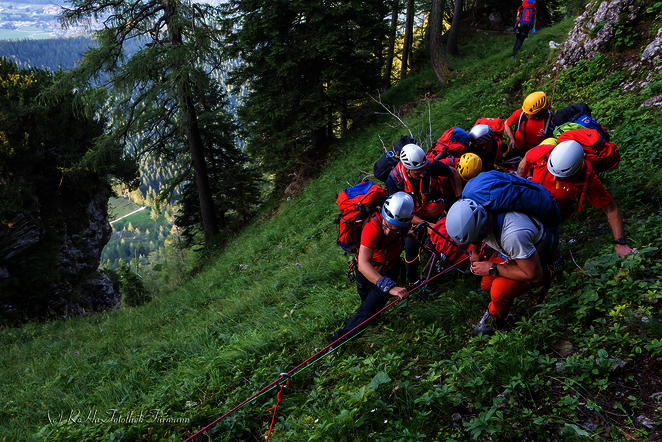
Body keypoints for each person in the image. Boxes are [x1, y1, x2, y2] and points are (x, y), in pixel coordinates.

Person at [446, 198, 550, 335]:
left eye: (472, 239)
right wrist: (475, 253)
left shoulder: (512, 236)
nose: (472, 243)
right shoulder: (482, 210)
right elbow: (476, 233)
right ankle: (499, 297)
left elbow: (534, 274)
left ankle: (496, 316)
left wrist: (492, 268)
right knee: (486, 284)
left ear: (483, 229)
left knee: (498, 289)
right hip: (513, 253)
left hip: (534, 263)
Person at [517, 140, 633, 257]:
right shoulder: (542, 152)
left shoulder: (586, 178)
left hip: (549, 213)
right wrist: (518, 180)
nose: (555, 178)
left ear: (575, 170)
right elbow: (526, 158)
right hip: (528, 198)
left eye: (561, 177)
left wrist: (620, 243)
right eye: (552, 172)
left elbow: (611, 209)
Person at [330, 192, 414, 347]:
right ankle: (341, 341)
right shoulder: (372, 227)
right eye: (386, 226)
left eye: (394, 229)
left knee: (367, 311)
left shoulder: (403, 224)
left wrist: (407, 234)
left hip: (389, 270)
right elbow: (363, 264)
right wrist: (388, 286)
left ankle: (337, 341)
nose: (388, 232)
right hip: (366, 272)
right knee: (368, 307)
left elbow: (401, 232)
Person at [386, 144, 463, 283]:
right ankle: (412, 280)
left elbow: (453, 172)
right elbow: (399, 213)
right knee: (411, 246)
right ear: (407, 169)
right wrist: (426, 224)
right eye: (417, 173)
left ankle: (452, 260)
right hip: (414, 219)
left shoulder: (431, 165)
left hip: (437, 213)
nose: (422, 175)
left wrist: (459, 199)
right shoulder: (395, 181)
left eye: (423, 170)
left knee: (451, 234)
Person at [504, 91, 554, 156]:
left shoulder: (549, 122)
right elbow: (507, 124)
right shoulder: (521, 113)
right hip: (517, 148)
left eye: (528, 113)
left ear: (538, 113)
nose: (525, 114)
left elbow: (551, 142)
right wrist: (512, 139)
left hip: (533, 154)